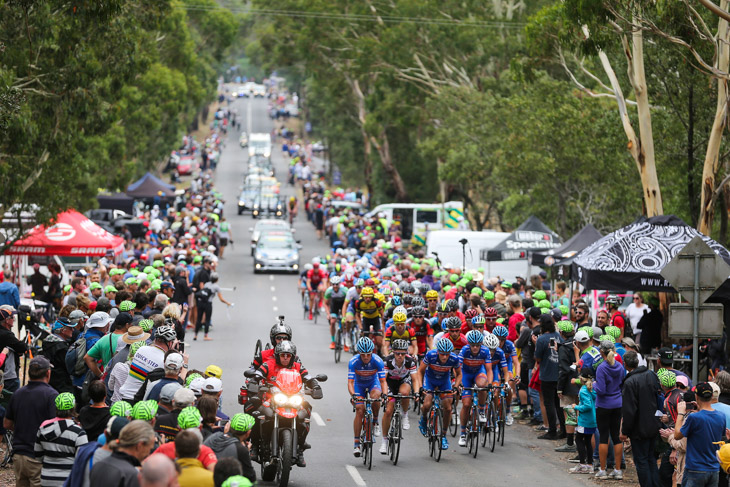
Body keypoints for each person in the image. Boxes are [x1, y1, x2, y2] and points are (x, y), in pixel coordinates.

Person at [4, 356, 58, 487]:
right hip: (38, 456)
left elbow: (7, 424)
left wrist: (23, 428)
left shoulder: (18, 393)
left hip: (18, 455)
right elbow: (54, 427)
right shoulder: (51, 395)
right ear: (48, 373)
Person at [674, 382, 729, 487]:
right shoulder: (721, 416)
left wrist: (680, 413)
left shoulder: (694, 418)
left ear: (696, 396)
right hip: (714, 469)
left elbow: (677, 435)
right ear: (712, 396)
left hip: (695, 469)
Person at [620, 350, 661, 486]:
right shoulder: (651, 375)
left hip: (639, 428)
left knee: (642, 461)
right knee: (650, 459)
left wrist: (625, 431)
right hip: (653, 424)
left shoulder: (630, 382)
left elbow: (629, 410)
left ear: (625, 364)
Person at [34, 392, 88, 486]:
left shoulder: (43, 429)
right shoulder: (78, 433)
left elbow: (38, 456)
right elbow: (82, 461)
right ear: (73, 408)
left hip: (47, 478)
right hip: (68, 480)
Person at [417, 337, 461, 451]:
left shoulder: (454, 358)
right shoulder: (431, 355)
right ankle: (424, 418)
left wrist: (456, 387)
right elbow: (420, 371)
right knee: (427, 404)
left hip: (444, 381)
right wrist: (421, 387)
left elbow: (459, 374)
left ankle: (443, 435)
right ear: (438, 352)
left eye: (447, 354)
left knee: (447, 407)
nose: (445, 357)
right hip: (430, 380)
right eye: (442, 354)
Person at [379, 339, 419, 453]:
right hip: (390, 383)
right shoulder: (387, 361)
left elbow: (415, 379)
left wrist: (416, 392)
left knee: (405, 393)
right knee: (388, 411)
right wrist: (384, 394)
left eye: (403, 353)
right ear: (393, 352)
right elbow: (383, 380)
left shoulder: (410, 362)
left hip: (403, 381)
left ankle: (405, 415)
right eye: (397, 353)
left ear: (406, 352)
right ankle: (384, 441)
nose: (400, 356)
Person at [348, 337, 386, 457]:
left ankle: (375, 421)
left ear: (372, 352)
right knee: (359, 410)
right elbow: (350, 383)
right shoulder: (353, 362)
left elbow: (383, 381)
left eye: (368, 354)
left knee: (375, 397)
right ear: (359, 353)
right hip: (358, 385)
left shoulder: (378, 361)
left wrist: (384, 395)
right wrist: (354, 395)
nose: (365, 357)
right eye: (363, 354)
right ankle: (356, 443)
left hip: (373, 383)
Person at [118, 325, 178, 401]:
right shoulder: (164, 360)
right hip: (139, 399)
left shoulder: (141, 349)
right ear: (170, 343)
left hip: (124, 395)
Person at [90, 420, 157, 487]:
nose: (148, 454)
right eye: (150, 449)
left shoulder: (98, 465)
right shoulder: (131, 475)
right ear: (139, 446)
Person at [593, 341, 625, 480]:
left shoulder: (602, 368)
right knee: (617, 437)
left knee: (604, 438)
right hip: (617, 404)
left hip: (604, 405)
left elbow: (601, 390)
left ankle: (603, 469)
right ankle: (618, 470)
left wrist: (593, 385)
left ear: (601, 352)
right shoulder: (619, 366)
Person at [457, 330, 493, 447]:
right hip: (466, 375)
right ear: (469, 344)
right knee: (466, 404)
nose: (475, 348)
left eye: (478, 345)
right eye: (473, 345)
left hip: (478, 372)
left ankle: (481, 410)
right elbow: (458, 368)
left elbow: (489, 370)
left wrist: (490, 383)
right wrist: (459, 383)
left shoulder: (485, 351)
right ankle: (462, 433)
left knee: (483, 386)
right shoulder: (464, 350)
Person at [203, 413, 256, 484]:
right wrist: (247, 452)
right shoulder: (241, 449)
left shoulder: (213, 437)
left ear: (229, 426)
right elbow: (251, 477)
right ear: (248, 433)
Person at [534, 315, 563, 440]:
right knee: (559, 404)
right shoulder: (559, 336)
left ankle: (552, 430)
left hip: (547, 375)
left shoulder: (541, 339)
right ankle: (563, 429)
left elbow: (538, 358)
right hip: (560, 374)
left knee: (549, 403)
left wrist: (536, 344)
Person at [568, 367, 597, 474]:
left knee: (579, 440)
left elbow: (587, 406)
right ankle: (589, 464)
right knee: (588, 441)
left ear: (581, 378)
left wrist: (576, 407)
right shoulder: (592, 388)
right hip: (592, 419)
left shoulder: (584, 390)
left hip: (585, 420)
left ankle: (582, 464)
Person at [42, 317, 75, 393]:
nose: (73, 330)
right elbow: (69, 366)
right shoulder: (61, 348)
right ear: (62, 330)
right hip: (61, 384)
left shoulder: (48, 341)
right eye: (70, 328)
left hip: (50, 382)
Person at [0, 307, 28, 392]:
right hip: (8, 376)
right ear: (7, 320)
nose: (14, 319)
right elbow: (23, 347)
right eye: (12, 317)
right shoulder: (6, 335)